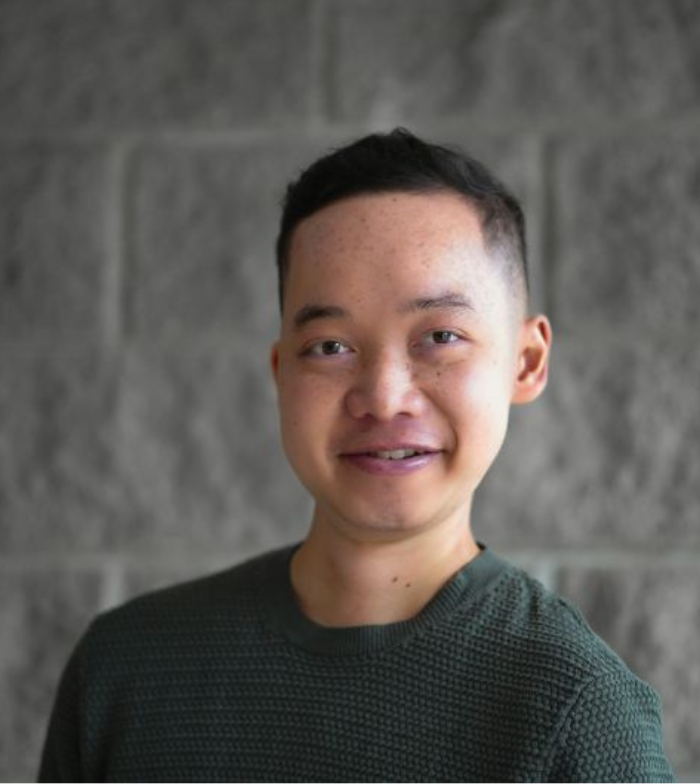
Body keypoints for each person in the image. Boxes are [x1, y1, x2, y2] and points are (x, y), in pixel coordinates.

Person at [39, 128, 675, 782]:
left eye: (440, 336)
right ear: (282, 370)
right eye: (330, 347)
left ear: (526, 362)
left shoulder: (580, 713)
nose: (383, 397)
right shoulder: (125, 671)